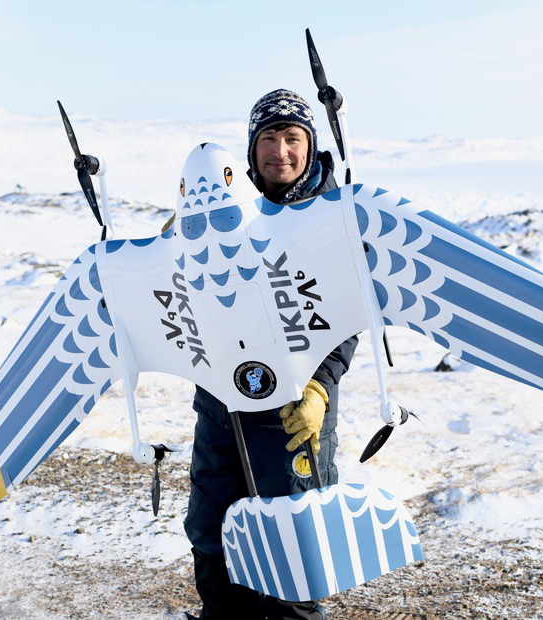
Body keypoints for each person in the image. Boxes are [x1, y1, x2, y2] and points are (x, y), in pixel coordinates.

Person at [184, 89, 358, 620]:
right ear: (251, 148)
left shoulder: (334, 219)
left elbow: (346, 318)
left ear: (310, 146)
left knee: (293, 558)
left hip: (295, 408)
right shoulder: (227, 211)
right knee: (214, 541)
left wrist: (321, 387)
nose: (279, 151)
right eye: (268, 139)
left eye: (292, 138)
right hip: (222, 407)